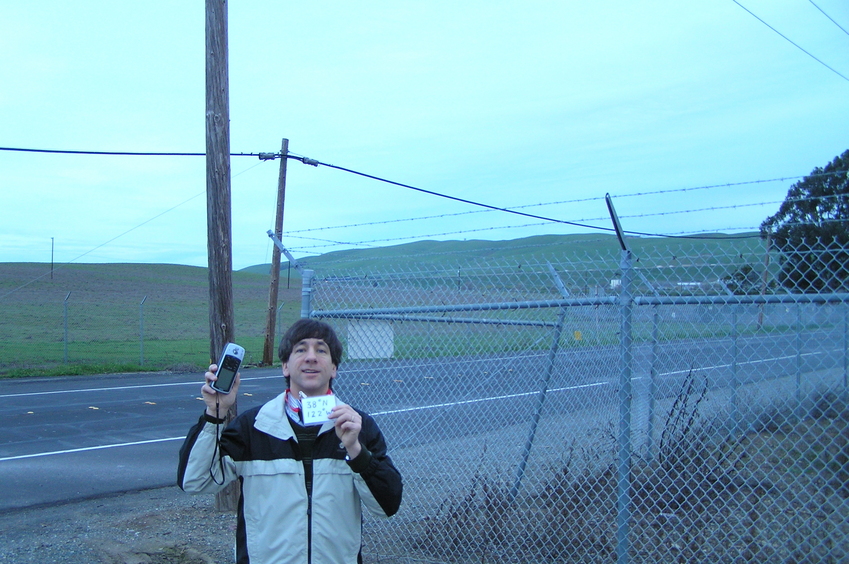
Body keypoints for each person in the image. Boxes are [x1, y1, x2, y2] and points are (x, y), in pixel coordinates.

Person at [177, 319, 403, 564]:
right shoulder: (252, 427)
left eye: (321, 350)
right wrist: (215, 413)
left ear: (334, 368)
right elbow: (194, 481)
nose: (311, 357)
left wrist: (355, 449)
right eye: (301, 349)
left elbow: (387, 505)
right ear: (285, 366)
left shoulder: (359, 427)